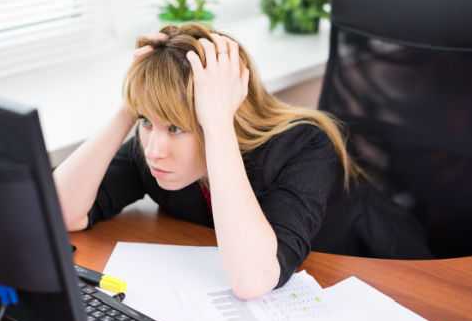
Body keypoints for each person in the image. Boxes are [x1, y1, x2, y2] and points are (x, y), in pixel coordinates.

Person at [53, 24, 432, 299]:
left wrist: (215, 124)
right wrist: (130, 106)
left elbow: (253, 280)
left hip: (386, 278)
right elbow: (61, 212)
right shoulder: (155, 147)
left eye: (178, 129)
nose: (154, 150)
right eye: (146, 123)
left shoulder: (303, 145)